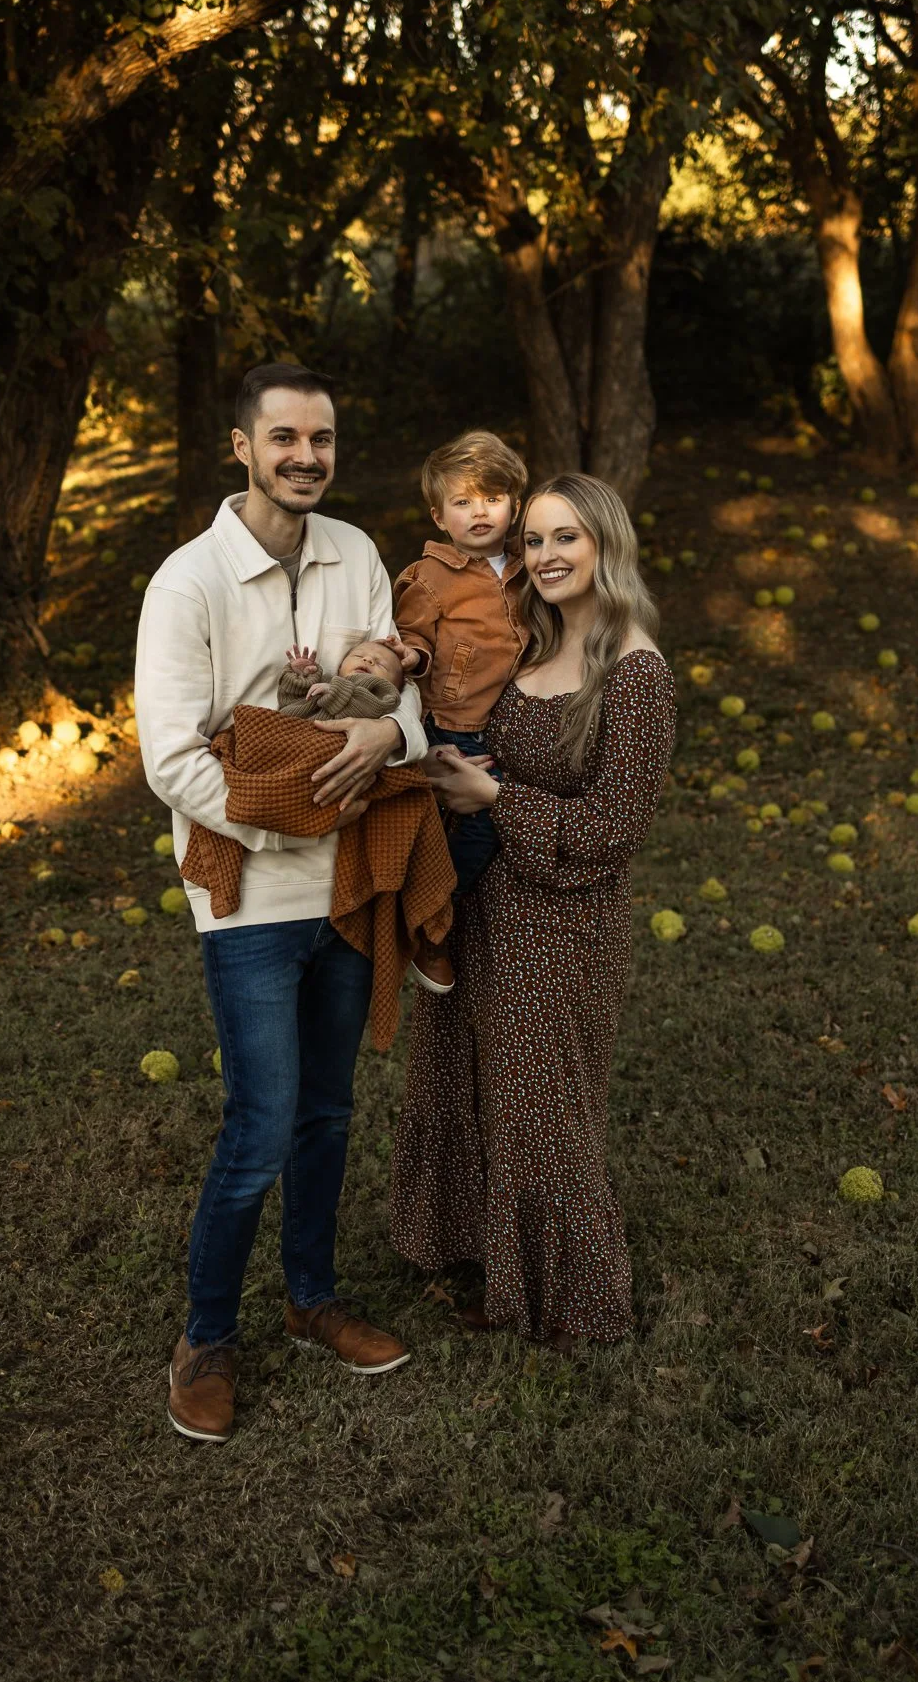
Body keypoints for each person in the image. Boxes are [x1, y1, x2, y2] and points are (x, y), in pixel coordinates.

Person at [135, 362, 428, 1444]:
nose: (307, 456)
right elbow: (172, 757)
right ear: (243, 447)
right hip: (252, 890)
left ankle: (312, 1299)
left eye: (323, 438)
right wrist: (287, 820)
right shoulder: (187, 583)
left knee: (328, 1112)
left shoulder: (357, 553)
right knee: (260, 1126)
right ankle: (206, 1336)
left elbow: (406, 695)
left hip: (349, 880)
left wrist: (388, 733)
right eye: (286, 438)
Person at [389, 471, 677, 1351]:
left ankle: (574, 1300)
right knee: (464, 1079)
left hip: (561, 924)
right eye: (535, 540)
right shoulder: (532, 639)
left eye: (566, 538)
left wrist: (493, 797)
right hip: (482, 900)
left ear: (605, 544)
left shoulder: (634, 671)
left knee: (541, 1112)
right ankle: (482, 1253)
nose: (545, 556)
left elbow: (614, 829)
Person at [391, 430, 530, 992]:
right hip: (453, 722)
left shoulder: (527, 565)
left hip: (510, 721)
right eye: (463, 501)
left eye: (492, 498)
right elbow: (411, 634)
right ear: (438, 516)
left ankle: (445, 905)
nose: (480, 512)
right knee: (480, 828)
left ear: (514, 505)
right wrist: (413, 655)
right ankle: (431, 919)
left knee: (486, 823)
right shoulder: (431, 576)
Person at [277, 637, 406, 722]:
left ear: (395, 686)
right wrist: (299, 680)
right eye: (358, 655)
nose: (368, 660)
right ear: (340, 667)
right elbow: (289, 703)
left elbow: (370, 709)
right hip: (288, 730)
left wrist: (336, 691)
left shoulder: (384, 696)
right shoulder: (325, 682)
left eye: (381, 664)